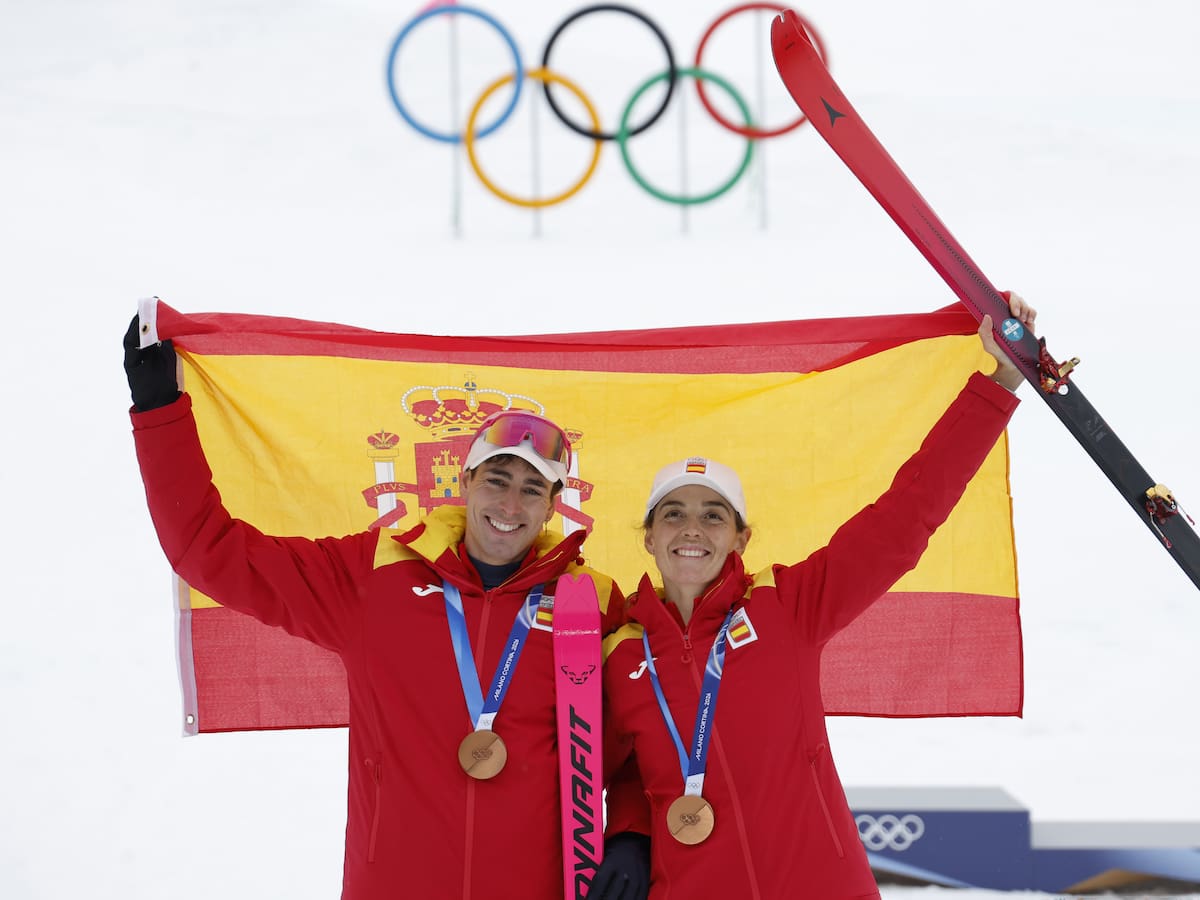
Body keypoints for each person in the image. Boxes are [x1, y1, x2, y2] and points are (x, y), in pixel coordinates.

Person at [122, 315, 650, 900]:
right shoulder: (376, 574)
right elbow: (209, 551)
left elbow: (637, 740)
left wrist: (632, 832)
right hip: (394, 883)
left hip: (536, 885)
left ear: (553, 505)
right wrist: (158, 411)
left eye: (532, 489)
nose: (510, 503)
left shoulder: (592, 603)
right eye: (497, 479)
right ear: (465, 480)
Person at [599, 299, 1035, 899]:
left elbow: (904, 518)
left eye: (712, 515)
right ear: (648, 537)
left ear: (740, 537)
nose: (691, 529)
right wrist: (626, 834)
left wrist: (999, 384)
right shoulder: (618, 651)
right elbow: (619, 769)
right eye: (672, 514)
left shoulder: (788, 608)